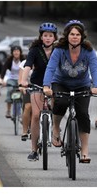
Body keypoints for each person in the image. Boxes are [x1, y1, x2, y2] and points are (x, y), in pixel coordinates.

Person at [43, 19, 97, 163]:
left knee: (82, 114)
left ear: (82, 37)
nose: (74, 37)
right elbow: (50, 68)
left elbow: (94, 68)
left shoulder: (88, 51)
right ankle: (56, 128)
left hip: (82, 85)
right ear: (67, 36)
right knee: (61, 103)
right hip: (61, 83)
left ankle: (85, 150)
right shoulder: (59, 50)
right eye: (72, 34)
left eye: (77, 34)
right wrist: (46, 86)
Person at [21, 22, 58, 161]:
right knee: (36, 115)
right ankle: (34, 150)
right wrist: (24, 81)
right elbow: (28, 66)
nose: (48, 38)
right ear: (41, 37)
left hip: (55, 84)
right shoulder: (35, 50)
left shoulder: (59, 50)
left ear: (54, 37)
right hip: (37, 83)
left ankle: (56, 129)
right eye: (45, 35)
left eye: (50, 36)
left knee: (57, 111)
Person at [0, 45, 25, 118]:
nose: (16, 53)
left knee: (23, 93)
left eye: (18, 51)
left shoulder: (23, 60)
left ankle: (22, 113)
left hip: (21, 79)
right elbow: (3, 70)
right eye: (14, 51)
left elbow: (28, 69)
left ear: (20, 52)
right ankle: (8, 111)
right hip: (11, 79)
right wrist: (1, 80)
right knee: (10, 90)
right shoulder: (9, 60)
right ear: (12, 52)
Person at [18, 59, 32, 141]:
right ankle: (25, 131)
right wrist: (21, 86)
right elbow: (20, 78)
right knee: (28, 106)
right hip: (28, 88)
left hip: (42, 88)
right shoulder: (24, 63)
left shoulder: (45, 59)